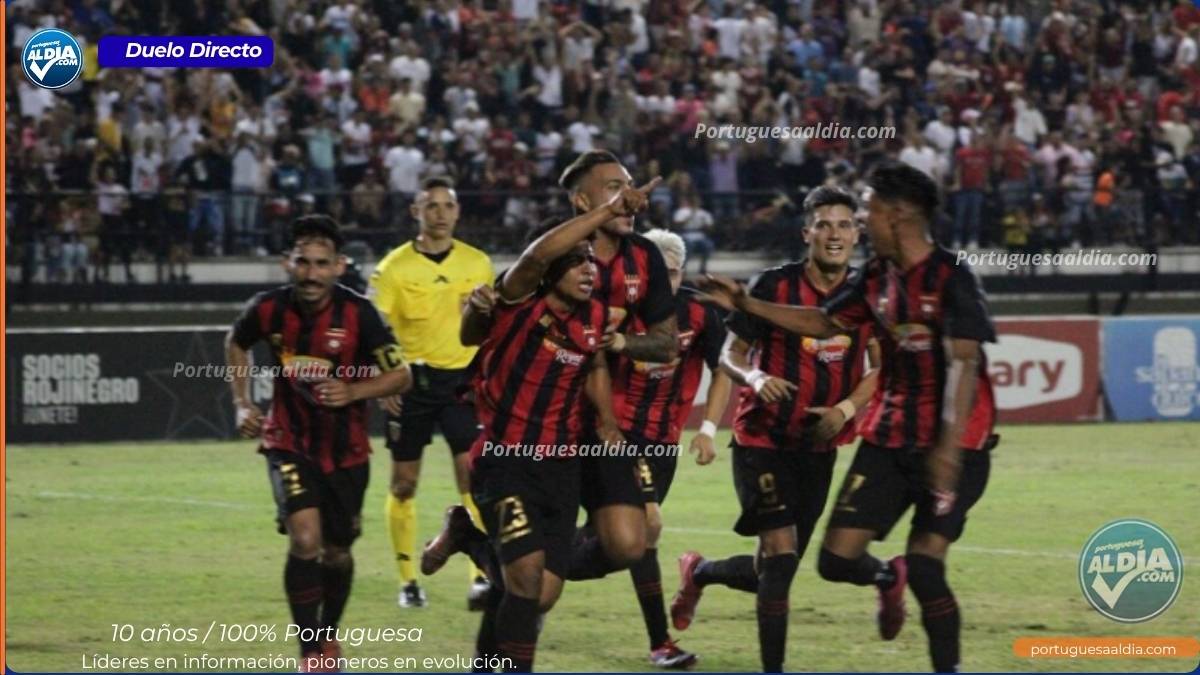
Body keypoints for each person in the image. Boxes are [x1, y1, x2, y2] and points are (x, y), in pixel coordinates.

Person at [698, 163, 998, 674]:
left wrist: (946, 448)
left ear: (896, 216)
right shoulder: (875, 278)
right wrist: (749, 303)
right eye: (840, 218)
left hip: (954, 445)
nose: (858, 221)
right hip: (880, 441)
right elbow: (823, 320)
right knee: (832, 560)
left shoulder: (951, 277)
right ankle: (884, 579)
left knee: (926, 570)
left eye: (866, 212)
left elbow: (965, 362)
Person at [421, 176, 660, 672]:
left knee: (540, 593)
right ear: (551, 267)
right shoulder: (518, 300)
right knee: (526, 580)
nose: (588, 269)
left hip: (562, 467)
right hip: (506, 460)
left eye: (592, 261)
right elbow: (531, 261)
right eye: (576, 260)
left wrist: (609, 423)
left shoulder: (594, 314)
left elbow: (594, 363)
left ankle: (466, 536)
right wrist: (608, 208)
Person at [671, 187, 880, 673]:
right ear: (806, 232)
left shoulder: (867, 295)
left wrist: (846, 410)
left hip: (818, 445)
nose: (834, 234)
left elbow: (879, 368)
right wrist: (757, 377)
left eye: (844, 225)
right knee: (781, 561)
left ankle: (699, 572)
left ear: (857, 233)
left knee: (772, 570)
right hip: (761, 440)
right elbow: (729, 353)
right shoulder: (772, 286)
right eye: (823, 225)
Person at [226, 215, 413, 672]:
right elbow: (236, 342)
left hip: (347, 451)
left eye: (321, 264)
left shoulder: (360, 315)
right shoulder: (267, 308)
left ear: (338, 266)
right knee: (305, 539)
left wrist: (354, 391)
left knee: (338, 551)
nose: (311, 273)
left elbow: (402, 374)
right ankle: (310, 651)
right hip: (287, 440)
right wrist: (242, 403)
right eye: (303, 262)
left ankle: (328, 635)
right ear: (287, 263)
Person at [369, 177, 495, 610]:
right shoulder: (392, 268)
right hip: (413, 382)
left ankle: (480, 574)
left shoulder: (478, 263)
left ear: (458, 212)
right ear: (415, 212)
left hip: (463, 382)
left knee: (472, 478)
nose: (440, 213)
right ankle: (408, 580)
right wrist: (386, 377)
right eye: (431, 205)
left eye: (448, 205)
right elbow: (374, 328)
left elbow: (491, 324)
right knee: (404, 484)